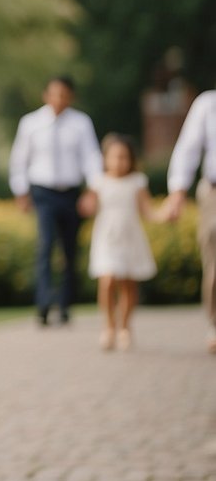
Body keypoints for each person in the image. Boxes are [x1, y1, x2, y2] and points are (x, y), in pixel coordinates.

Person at [9, 76, 103, 326]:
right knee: (45, 245)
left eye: (64, 95)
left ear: (70, 97)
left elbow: (91, 158)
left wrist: (92, 191)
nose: (59, 100)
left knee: (70, 250)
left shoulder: (81, 124)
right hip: (43, 192)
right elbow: (19, 159)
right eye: (55, 94)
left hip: (71, 191)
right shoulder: (31, 123)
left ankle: (64, 305)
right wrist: (20, 191)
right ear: (46, 95)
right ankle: (43, 304)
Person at [81, 133, 158, 351]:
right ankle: (108, 326)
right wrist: (85, 206)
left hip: (130, 237)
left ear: (131, 159)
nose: (119, 162)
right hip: (107, 237)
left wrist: (164, 214)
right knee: (107, 280)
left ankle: (125, 327)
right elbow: (90, 206)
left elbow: (148, 211)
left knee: (127, 285)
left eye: (124, 157)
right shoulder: (98, 182)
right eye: (115, 157)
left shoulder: (137, 181)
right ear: (106, 159)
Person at [163, 88, 216, 353]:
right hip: (214, 192)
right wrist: (177, 194)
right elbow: (188, 149)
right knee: (214, 261)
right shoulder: (208, 104)